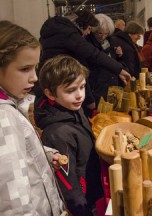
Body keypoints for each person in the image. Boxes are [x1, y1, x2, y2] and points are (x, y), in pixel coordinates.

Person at [0, 20, 65, 215]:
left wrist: (44, 155)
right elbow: (13, 201)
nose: (34, 77)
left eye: (35, 68)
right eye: (24, 69)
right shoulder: (3, 118)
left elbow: (17, 154)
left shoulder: (10, 107)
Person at [34, 55, 104, 216]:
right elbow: (68, 184)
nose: (79, 95)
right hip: (83, 202)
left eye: (82, 87)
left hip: (93, 187)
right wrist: (82, 211)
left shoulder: (74, 108)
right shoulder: (56, 133)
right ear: (50, 94)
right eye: (71, 90)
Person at [35, 10, 131, 117]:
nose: (89, 32)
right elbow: (93, 54)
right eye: (89, 29)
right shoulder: (70, 35)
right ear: (81, 25)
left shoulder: (58, 32)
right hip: (60, 80)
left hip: (51, 81)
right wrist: (119, 69)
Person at [86, 13, 124, 106]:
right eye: (100, 33)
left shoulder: (110, 41)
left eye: (106, 34)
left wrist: (119, 55)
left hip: (112, 88)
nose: (103, 37)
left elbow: (113, 61)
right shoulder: (87, 44)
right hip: (97, 89)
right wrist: (89, 97)